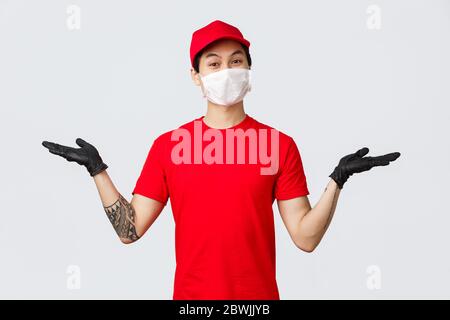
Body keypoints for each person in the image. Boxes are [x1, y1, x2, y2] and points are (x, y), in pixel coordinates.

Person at [42, 20, 401, 300]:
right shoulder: (169, 146)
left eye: (236, 61)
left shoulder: (278, 146)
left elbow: (305, 238)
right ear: (196, 76)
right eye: (213, 64)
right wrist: (98, 171)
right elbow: (129, 229)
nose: (226, 71)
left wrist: (337, 179)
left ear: (248, 70)